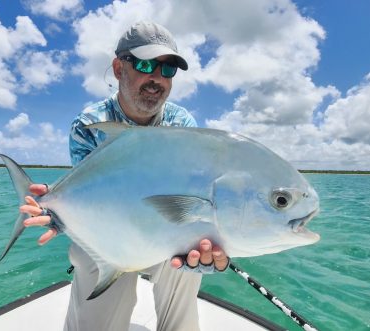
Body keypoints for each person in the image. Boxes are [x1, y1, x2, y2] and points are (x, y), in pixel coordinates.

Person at [20, 21, 230, 331]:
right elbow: (89, 196)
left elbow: (189, 203)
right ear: (119, 68)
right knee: (92, 277)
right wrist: (58, 210)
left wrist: (210, 255)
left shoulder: (182, 123)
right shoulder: (90, 123)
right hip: (108, 233)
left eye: (167, 70)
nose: (156, 78)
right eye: (146, 65)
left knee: (189, 256)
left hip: (164, 230)